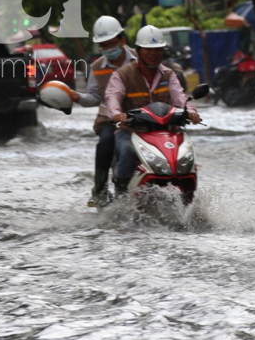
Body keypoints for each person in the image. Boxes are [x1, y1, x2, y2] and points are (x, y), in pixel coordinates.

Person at [104, 25, 200, 193]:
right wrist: (117, 114)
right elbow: (113, 97)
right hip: (132, 131)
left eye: (157, 49)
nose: (153, 53)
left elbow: (180, 97)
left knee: (186, 154)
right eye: (148, 49)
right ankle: (121, 196)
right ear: (139, 50)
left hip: (166, 131)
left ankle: (189, 194)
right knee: (127, 151)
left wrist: (191, 112)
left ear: (162, 51)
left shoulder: (169, 75)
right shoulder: (122, 75)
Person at [68, 15, 137, 206]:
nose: (108, 49)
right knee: (105, 142)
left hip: (140, 115)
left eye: (111, 44)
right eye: (103, 46)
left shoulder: (140, 59)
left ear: (122, 40)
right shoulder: (97, 67)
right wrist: (77, 97)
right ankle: (100, 189)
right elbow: (94, 97)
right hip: (109, 118)